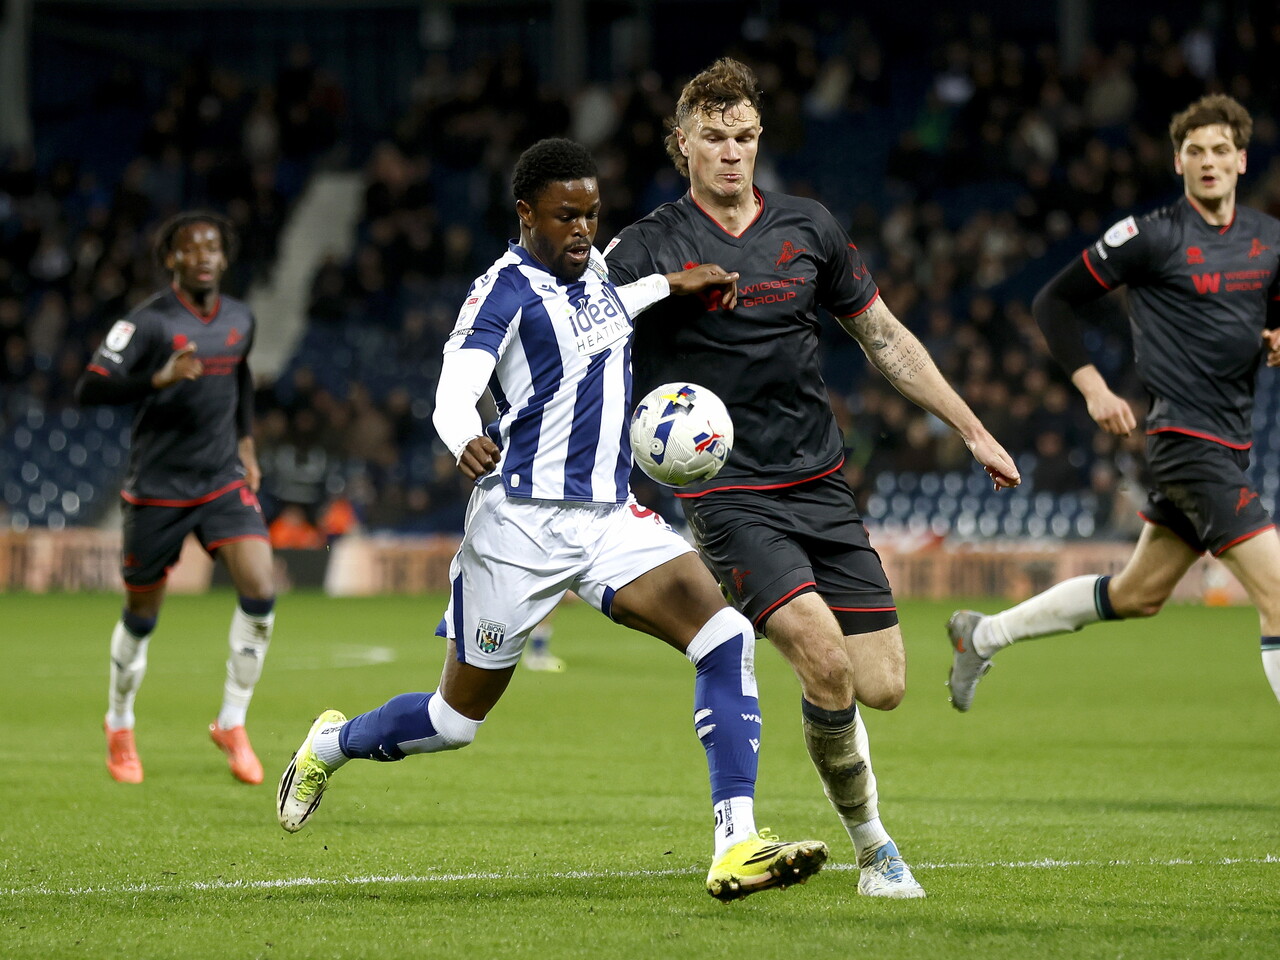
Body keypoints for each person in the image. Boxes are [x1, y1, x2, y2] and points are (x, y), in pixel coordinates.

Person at [277, 138, 828, 902]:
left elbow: (608, 309)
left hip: (610, 518)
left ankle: (736, 843)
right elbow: (454, 385)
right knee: (453, 721)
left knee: (725, 635)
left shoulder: (594, 271)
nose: (581, 229)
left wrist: (674, 282)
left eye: (592, 215)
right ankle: (329, 744)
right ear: (526, 214)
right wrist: (459, 433)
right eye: (566, 216)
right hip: (520, 530)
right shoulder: (500, 292)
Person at [604, 58, 1020, 899]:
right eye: (714, 138)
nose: (731, 153)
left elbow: (887, 340)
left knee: (884, 686)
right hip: (725, 492)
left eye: (745, 137)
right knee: (824, 661)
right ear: (681, 142)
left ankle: (794, 678)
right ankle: (876, 849)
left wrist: (971, 426)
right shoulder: (647, 246)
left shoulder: (806, 228)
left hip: (821, 484)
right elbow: (576, 335)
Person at [947, 94, 1280, 712]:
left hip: (1230, 446)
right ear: (1178, 163)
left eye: (1219, 150)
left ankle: (983, 634)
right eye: (1194, 151)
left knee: (1137, 594)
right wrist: (1094, 387)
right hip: (1184, 443)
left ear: (1241, 159)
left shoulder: (1269, 240)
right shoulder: (1151, 237)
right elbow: (1053, 301)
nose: (1208, 161)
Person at [75, 211, 276, 785]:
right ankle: (119, 723)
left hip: (220, 480)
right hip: (157, 491)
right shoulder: (147, 323)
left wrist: (247, 445)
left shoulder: (240, 318)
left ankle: (232, 722)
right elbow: (88, 387)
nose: (204, 256)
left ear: (225, 257)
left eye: (213, 247)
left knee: (261, 590)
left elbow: (238, 378)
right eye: (191, 249)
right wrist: (154, 382)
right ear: (172, 260)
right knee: (142, 617)